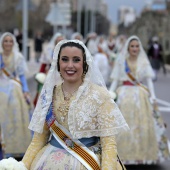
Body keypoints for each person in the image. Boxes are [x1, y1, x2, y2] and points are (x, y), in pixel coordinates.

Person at [0, 39, 129, 169]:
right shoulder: (49, 94)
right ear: (58, 63)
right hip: (48, 161)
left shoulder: (100, 95)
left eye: (76, 60)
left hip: (88, 162)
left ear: (85, 63)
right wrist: (22, 165)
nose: (70, 65)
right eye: (65, 59)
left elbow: (109, 144)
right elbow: (38, 140)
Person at [109, 35, 170, 164]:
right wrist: (110, 94)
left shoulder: (143, 60)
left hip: (140, 94)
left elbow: (149, 80)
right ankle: (120, 155)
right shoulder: (121, 60)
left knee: (142, 124)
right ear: (128, 47)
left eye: (137, 46)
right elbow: (115, 79)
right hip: (123, 93)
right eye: (132, 46)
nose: (135, 48)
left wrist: (153, 95)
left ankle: (142, 155)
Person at [0, 32, 32, 159]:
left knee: (17, 109)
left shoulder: (17, 57)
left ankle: (15, 147)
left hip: (14, 87)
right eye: (5, 41)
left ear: (13, 43)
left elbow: (22, 76)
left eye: (10, 41)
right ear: (2, 43)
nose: (8, 43)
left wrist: (25, 91)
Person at [33, 32, 65, 107]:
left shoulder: (66, 51)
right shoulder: (49, 51)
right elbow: (44, 64)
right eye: (58, 40)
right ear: (55, 42)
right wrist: (40, 75)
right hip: (51, 74)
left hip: (63, 75)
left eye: (61, 40)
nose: (60, 42)